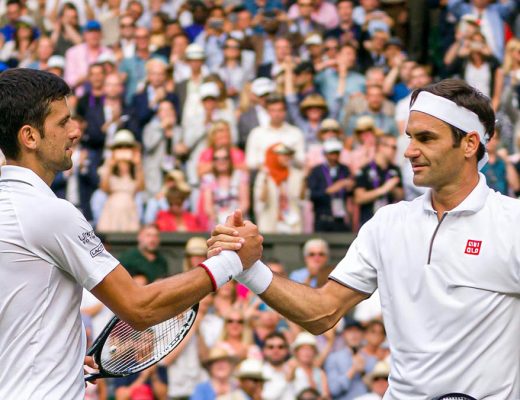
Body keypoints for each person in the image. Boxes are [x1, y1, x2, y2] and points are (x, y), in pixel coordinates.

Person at [208, 79, 520, 398]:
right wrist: (250, 268)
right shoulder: (386, 223)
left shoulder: (513, 223)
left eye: (426, 138)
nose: (410, 151)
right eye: (410, 137)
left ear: (469, 144)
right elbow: (322, 312)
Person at [0, 68, 262, 399]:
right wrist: (232, 261)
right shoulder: (52, 213)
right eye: (63, 122)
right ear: (30, 137)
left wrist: (55, 360)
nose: (76, 131)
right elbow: (140, 308)